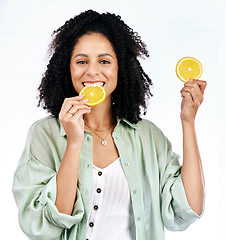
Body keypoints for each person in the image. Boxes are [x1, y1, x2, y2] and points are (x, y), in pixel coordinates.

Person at [12, 10, 206, 240]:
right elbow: (46, 225)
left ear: (119, 68)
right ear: (68, 68)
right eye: (81, 61)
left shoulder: (148, 136)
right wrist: (74, 142)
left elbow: (189, 208)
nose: (92, 71)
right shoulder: (44, 134)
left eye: (104, 61)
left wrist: (188, 121)